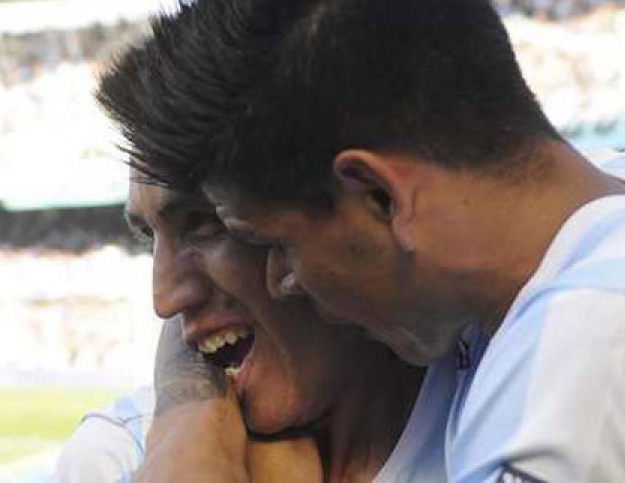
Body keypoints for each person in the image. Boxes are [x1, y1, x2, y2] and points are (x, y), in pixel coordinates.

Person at [97, 0, 625, 480]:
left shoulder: (579, 394)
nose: (287, 281)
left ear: (380, 197)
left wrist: (193, 454)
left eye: (279, 246)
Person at [53, 177, 452, 482]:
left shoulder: (492, 407)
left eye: (206, 222)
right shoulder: (119, 454)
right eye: (148, 237)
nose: (165, 300)